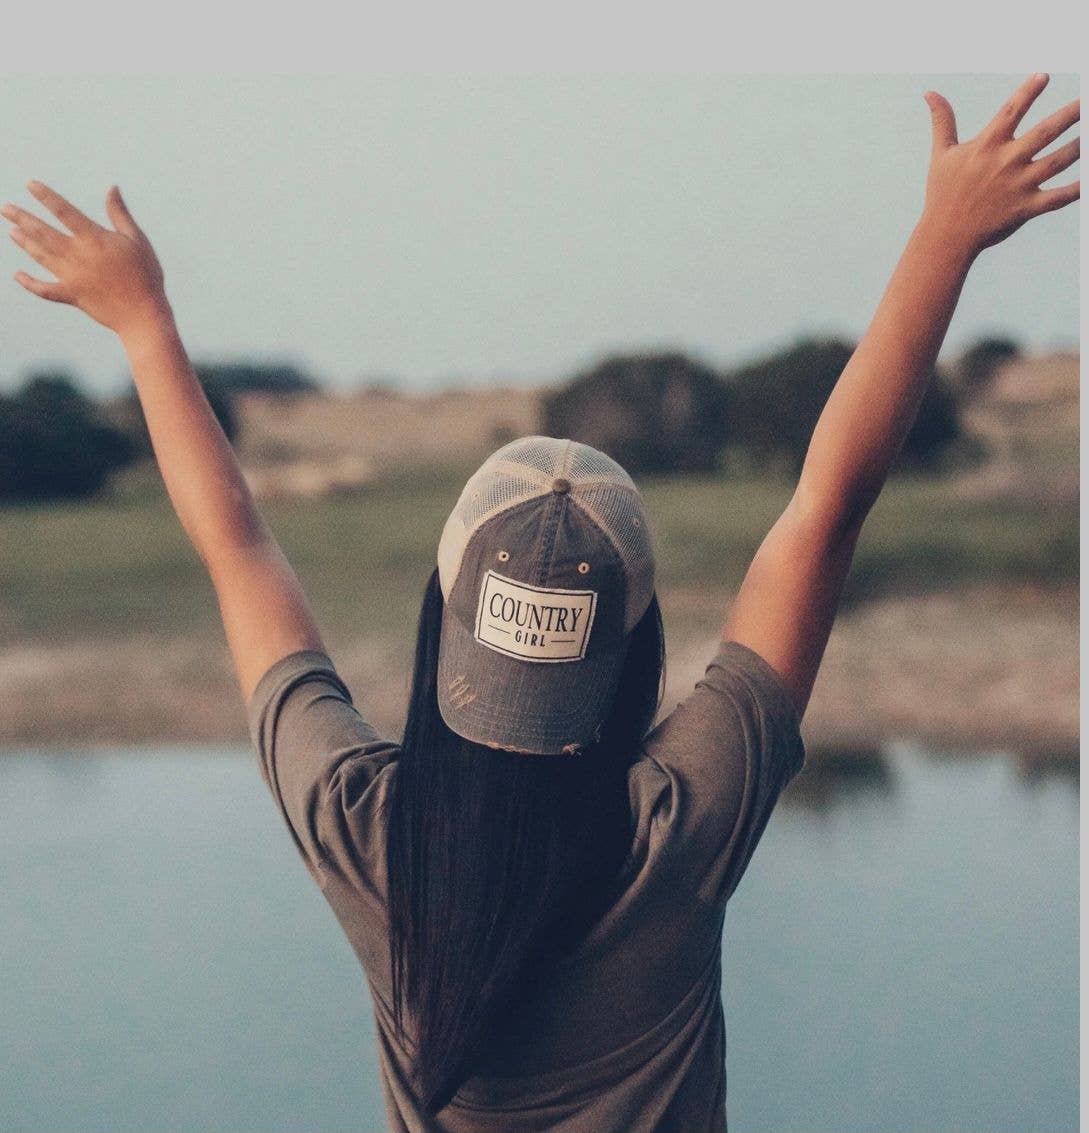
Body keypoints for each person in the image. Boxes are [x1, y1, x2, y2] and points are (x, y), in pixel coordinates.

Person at [4, 74, 1078, 1132]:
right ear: (636, 642)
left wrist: (143, 323)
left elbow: (237, 549)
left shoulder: (365, 832)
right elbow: (824, 510)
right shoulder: (679, 822)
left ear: (445, 621)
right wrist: (946, 238)